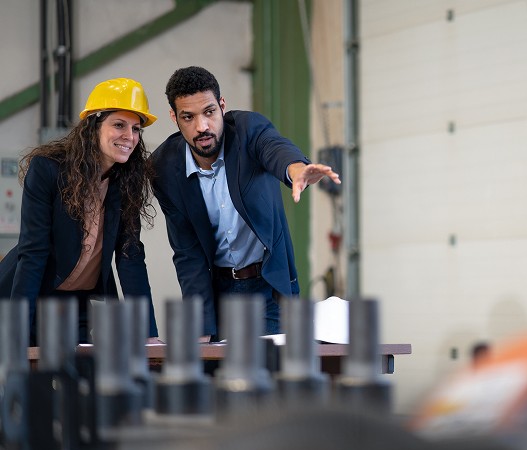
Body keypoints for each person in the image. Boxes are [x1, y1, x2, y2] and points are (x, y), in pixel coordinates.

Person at [150, 66, 340, 342]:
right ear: (174, 118)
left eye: (209, 112)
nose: (202, 126)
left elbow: (273, 148)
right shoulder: (164, 167)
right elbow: (187, 252)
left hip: (269, 287)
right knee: (220, 379)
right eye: (188, 117)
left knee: (272, 378)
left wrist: (296, 169)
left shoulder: (248, 130)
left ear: (222, 106)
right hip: (217, 293)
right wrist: (202, 329)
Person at [0, 78, 161, 345]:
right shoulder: (48, 169)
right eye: (119, 125)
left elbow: (130, 256)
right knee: (24, 383)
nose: (129, 136)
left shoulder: (126, 181)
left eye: (135, 129)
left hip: (78, 304)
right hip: (29, 296)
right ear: (93, 127)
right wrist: (17, 328)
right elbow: (34, 252)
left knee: (76, 382)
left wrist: (148, 334)